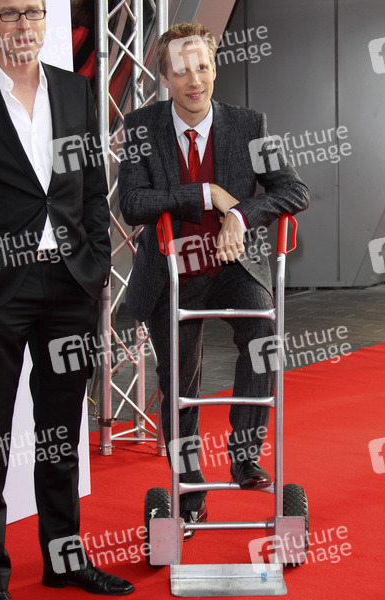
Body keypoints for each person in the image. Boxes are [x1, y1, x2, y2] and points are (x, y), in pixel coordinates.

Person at [119, 22, 309, 540]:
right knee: (179, 381)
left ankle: (244, 455)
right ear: (165, 77)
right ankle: (190, 496)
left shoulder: (249, 124)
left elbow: (293, 190)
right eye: (181, 71)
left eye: (202, 66)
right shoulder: (142, 127)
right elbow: (131, 203)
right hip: (171, 271)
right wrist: (204, 194)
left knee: (263, 335)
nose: (194, 80)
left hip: (231, 266)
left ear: (214, 68)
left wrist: (240, 214)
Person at [0, 1, 134, 597]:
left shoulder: (76, 91)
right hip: (2, 288)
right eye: (8, 14)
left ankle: (63, 560)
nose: (23, 25)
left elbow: (94, 189)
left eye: (32, 12)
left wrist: (97, 263)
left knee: (60, 436)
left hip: (70, 284)